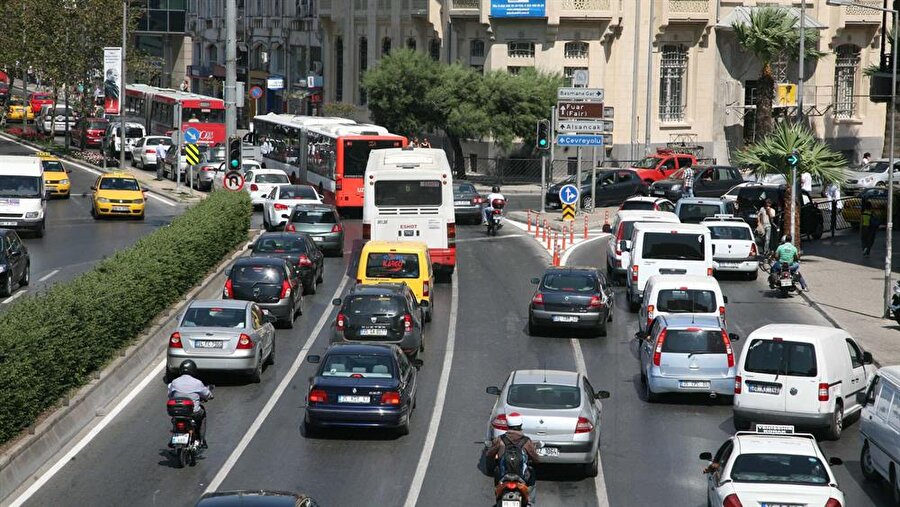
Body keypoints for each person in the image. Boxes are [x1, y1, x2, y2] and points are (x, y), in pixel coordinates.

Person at [486, 413, 540, 499]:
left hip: (503, 476)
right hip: (522, 476)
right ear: (521, 425)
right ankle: (530, 502)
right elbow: (536, 459)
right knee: (532, 473)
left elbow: (489, 454)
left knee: (496, 469)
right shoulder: (526, 441)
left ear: (508, 425)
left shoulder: (500, 439)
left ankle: (498, 495)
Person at [167, 360, 212, 448]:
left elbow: (170, 395)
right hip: (193, 412)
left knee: (175, 419)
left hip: (176, 411)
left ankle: (175, 435)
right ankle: (202, 440)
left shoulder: (174, 382)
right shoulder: (197, 383)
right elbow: (207, 394)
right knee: (202, 414)